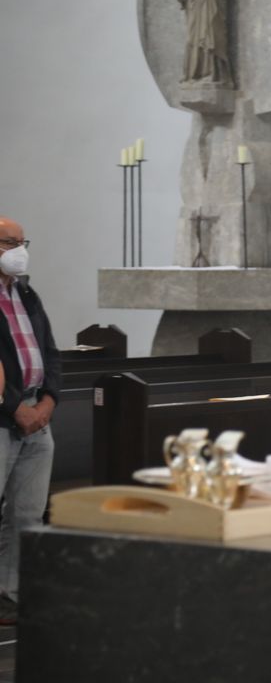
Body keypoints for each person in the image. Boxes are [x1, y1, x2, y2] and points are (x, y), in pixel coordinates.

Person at [0, 217, 60, 626]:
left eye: (23, 242)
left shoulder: (26, 293)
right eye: (9, 242)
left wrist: (49, 401)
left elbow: (50, 351)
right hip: (5, 415)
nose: (19, 250)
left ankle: (10, 597)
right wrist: (13, 409)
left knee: (27, 513)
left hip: (38, 416)